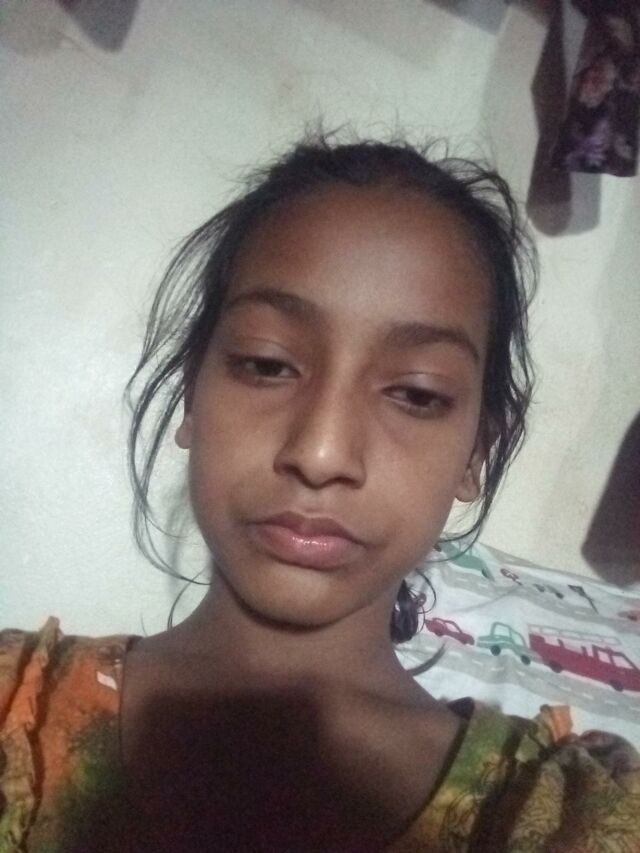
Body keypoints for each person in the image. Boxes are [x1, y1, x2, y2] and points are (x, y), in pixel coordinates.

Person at [1, 135, 639, 852]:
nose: (321, 452)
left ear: (477, 452)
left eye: (417, 393)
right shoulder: (14, 708)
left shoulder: (560, 815)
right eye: (266, 364)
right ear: (191, 393)